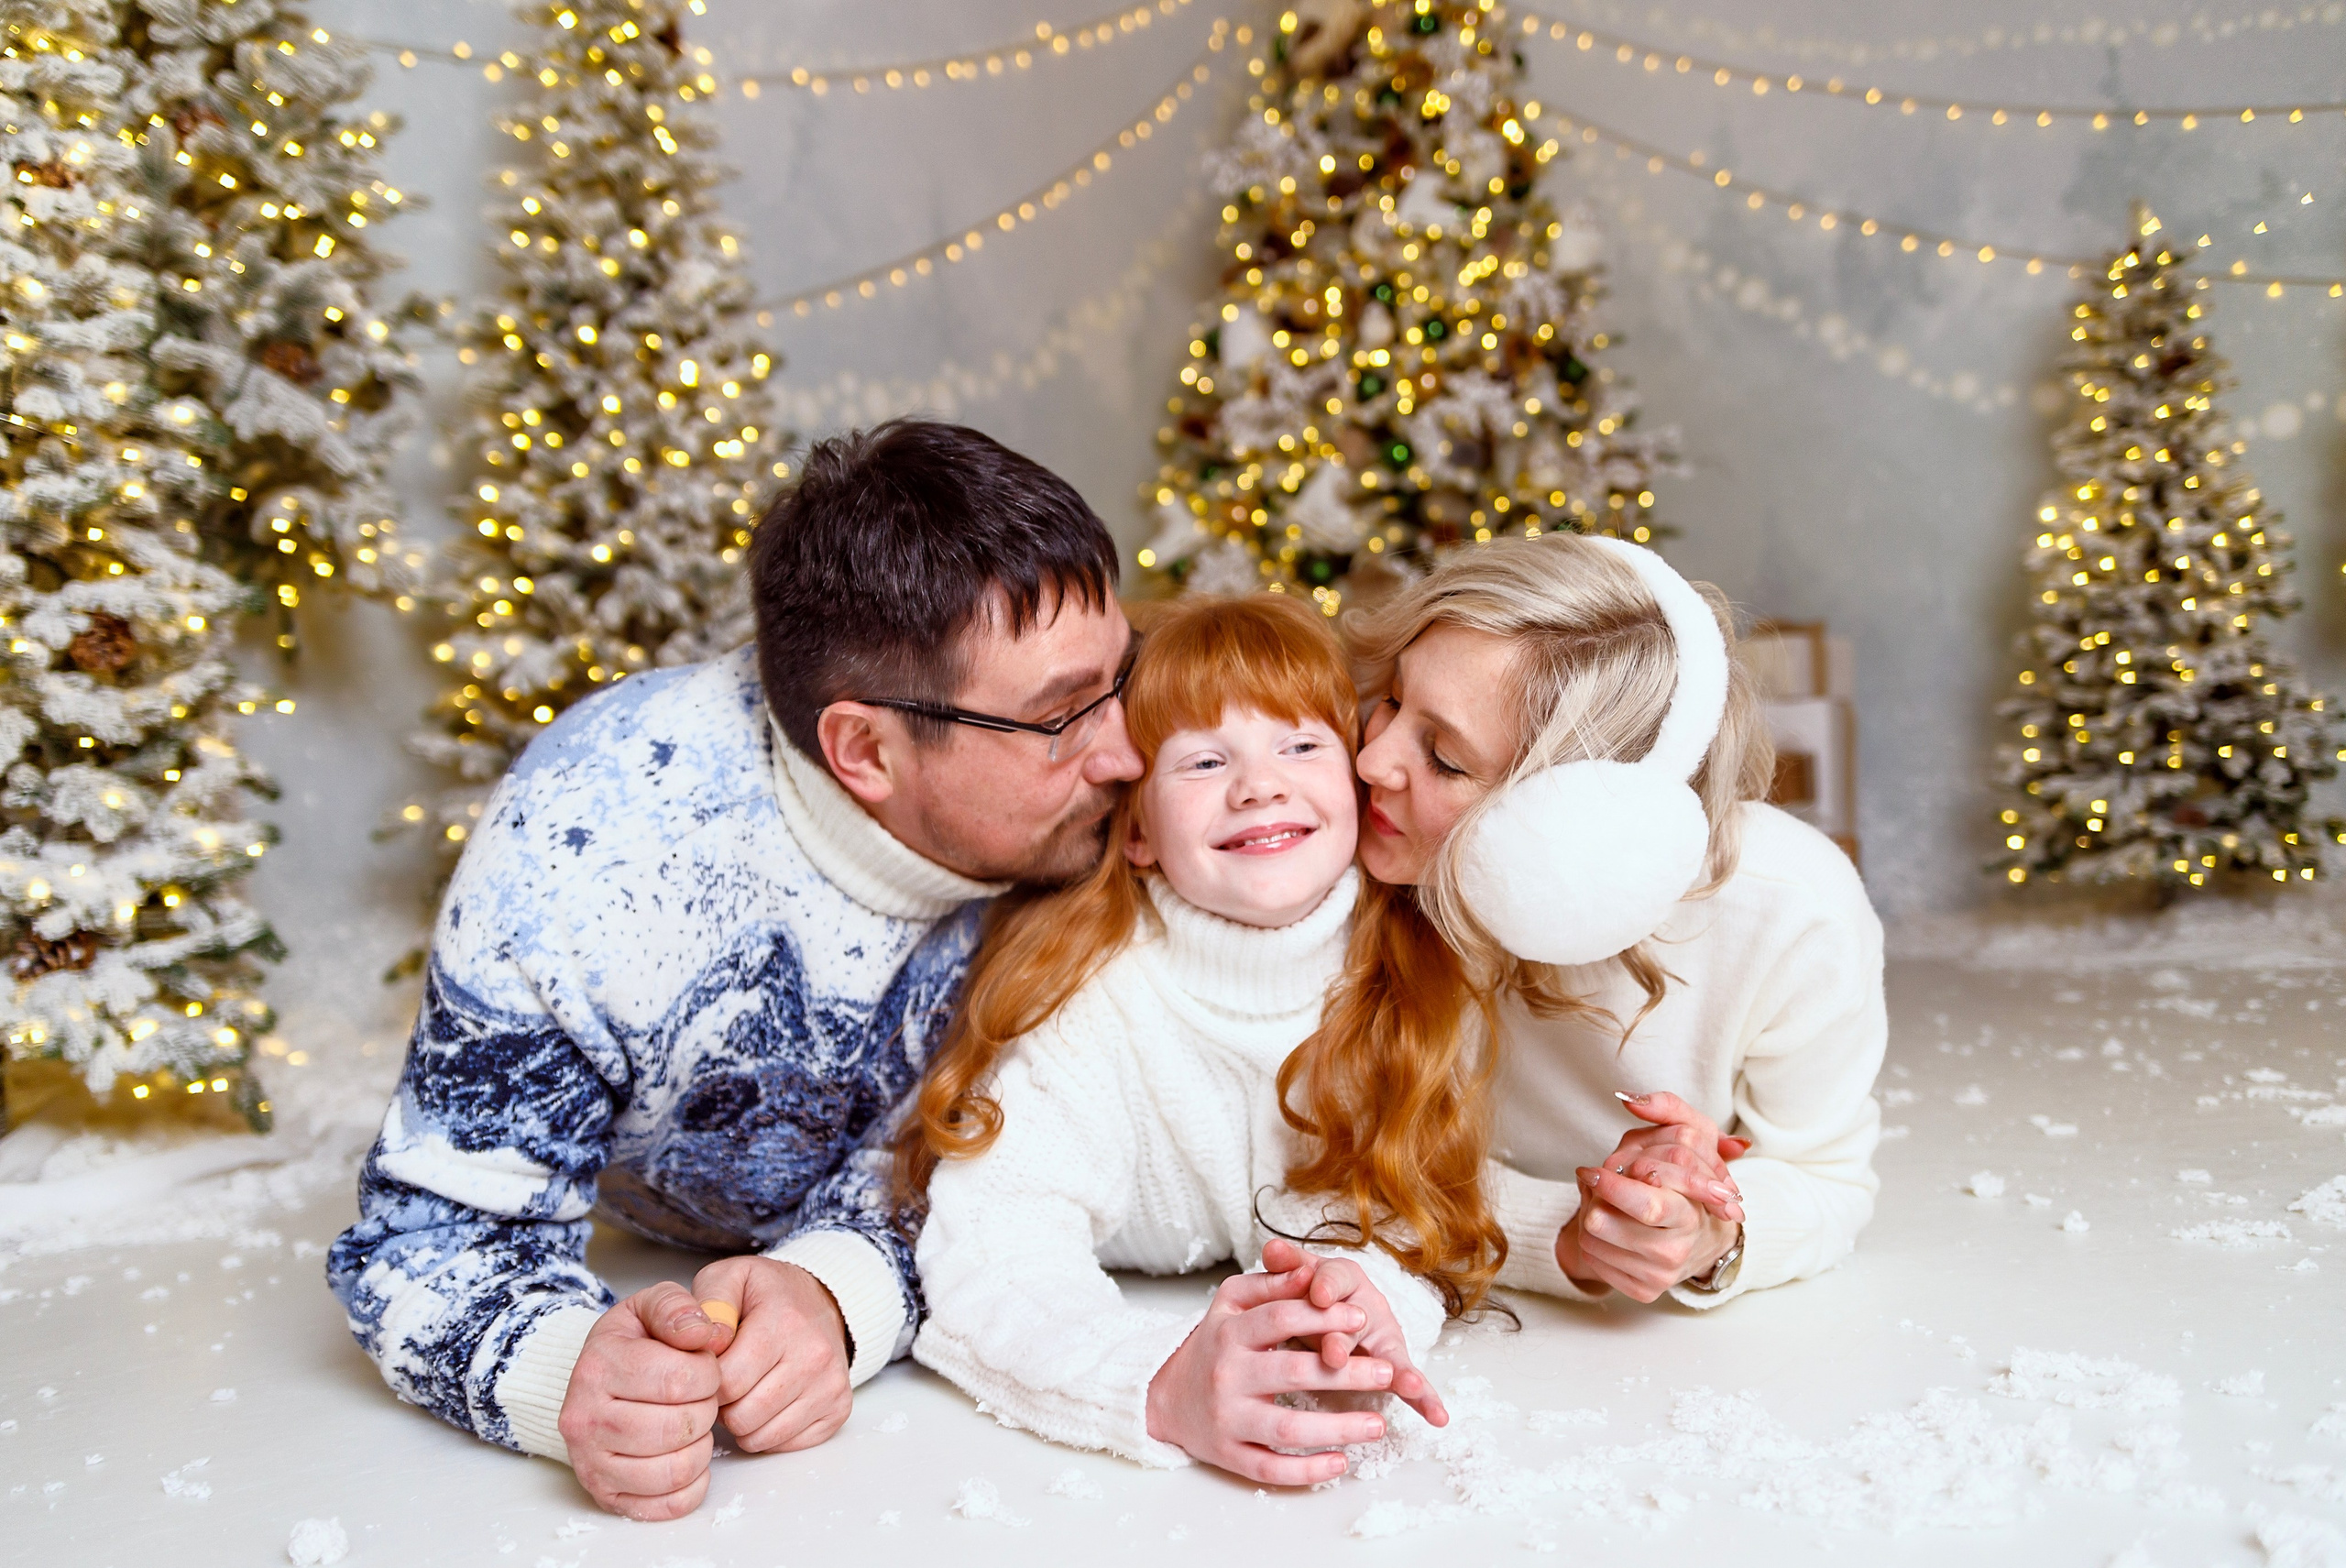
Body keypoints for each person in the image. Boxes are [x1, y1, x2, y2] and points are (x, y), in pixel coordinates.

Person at [325, 420, 1144, 1519]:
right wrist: (573, 1369)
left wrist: (832, 1295)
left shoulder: (1109, 805)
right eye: (1058, 716)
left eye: (1118, 677)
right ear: (865, 751)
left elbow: (999, 1157)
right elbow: (430, 1234)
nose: (1126, 752)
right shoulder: (594, 846)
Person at [906, 595, 1491, 1484]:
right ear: (1136, 830)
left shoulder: (1403, 981)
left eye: (1300, 746)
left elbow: (1402, 1216)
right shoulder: (1088, 995)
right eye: (1205, 760)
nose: (1259, 784)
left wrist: (1366, 1305)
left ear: (1358, 786)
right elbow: (991, 1249)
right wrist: (1152, 1382)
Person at [1342, 532, 1885, 1310]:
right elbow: (1330, 1163)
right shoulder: (1331, 847)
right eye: (1391, 700)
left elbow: (1825, 1178)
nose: (1369, 762)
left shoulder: (1794, 909)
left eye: (1446, 759)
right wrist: (1562, 1233)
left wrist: (1705, 1230)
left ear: (1572, 817)